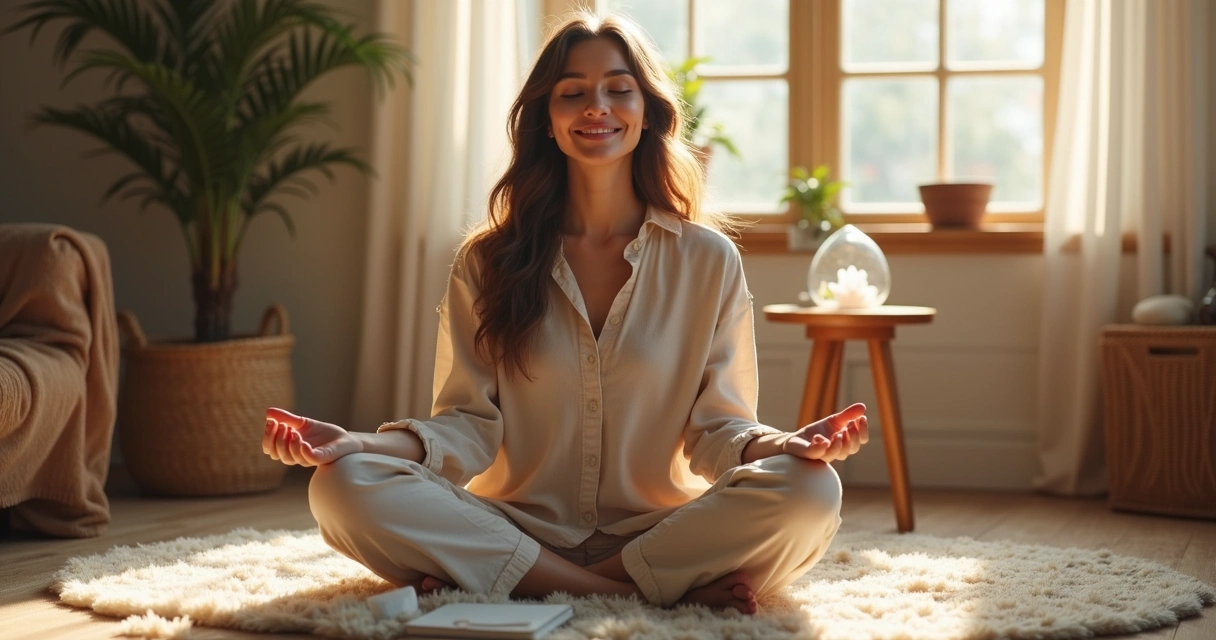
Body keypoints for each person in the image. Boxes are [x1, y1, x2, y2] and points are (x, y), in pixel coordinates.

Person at [261, 11, 869, 615]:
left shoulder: (708, 260)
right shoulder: (488, 260)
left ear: (648, 114)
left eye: (618, 90)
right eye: (572, 92)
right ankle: (635, 595)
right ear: (546, 121)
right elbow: (465, 428)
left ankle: (507, 582)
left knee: (811, 489)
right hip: (513, 529)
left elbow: (718, 433)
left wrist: (788, 444)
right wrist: (356, 444)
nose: (595, 106)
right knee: (341, 485)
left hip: (658, 532)